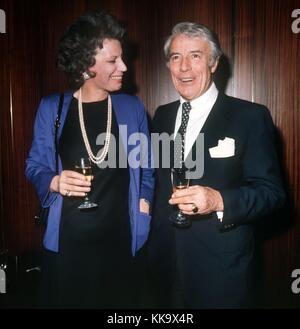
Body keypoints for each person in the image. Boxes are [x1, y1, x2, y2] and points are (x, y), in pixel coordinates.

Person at [148, 22, 286, 308]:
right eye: (176, 57)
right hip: (165, 272)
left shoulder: (250, 117)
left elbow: (272, 194)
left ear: (214, 63)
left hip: (222, 277)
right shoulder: (161, 116)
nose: (184, 67)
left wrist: (218, 200)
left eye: (195, 56)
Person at [25, 11, 154, 308]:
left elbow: (146, 168)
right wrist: (54, 181)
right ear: (85, 64)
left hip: (122, 241)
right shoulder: (52, 109)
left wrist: (144, 207)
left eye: (122, 58)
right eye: (112, 61)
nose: (124, 66)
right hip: (70, 245)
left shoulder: (131, 107)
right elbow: (34, 165)